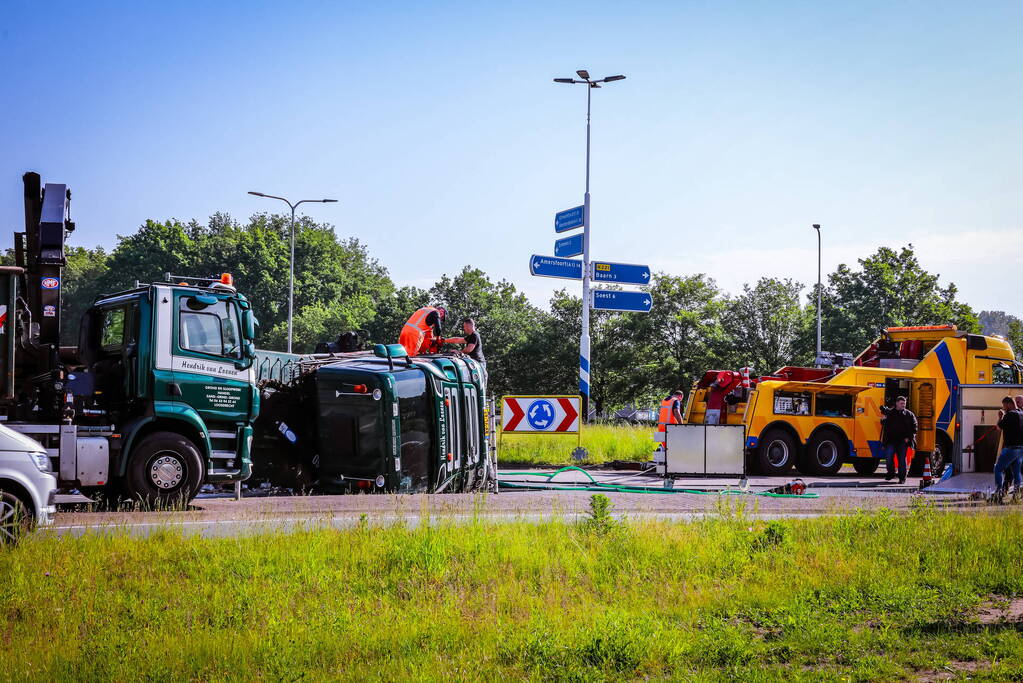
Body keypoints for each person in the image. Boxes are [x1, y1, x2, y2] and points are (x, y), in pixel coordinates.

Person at [880, 396, 917, 484]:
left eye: (904, 403)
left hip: (903, 441)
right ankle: (891, 473)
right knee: (888, 458)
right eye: (901, 403)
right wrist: (883, 419)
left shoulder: (909, 414)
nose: (903, 405)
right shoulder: (890, 413)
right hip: (890, 441)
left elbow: (915, 427)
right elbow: (884, 423)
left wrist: (909, 438)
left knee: (902, 460)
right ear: (896, 403)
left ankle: (902, 478)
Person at [994, 396, 1023, 495]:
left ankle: (998, 491)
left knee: (998, 469)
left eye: (1004, 405)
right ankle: (1016, 493)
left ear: (1009, 404)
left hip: (1011, 448)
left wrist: (1000, 417)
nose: (1004, 407)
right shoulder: (1021, 413)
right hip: (1021, 449)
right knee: (1017, 471)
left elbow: (998, 428)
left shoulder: (1009, 415)